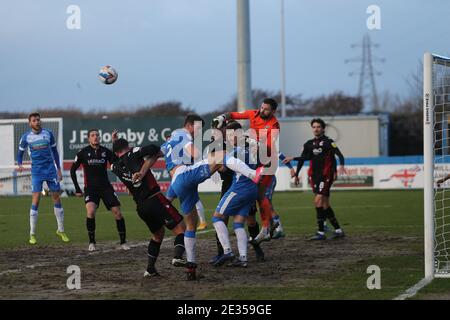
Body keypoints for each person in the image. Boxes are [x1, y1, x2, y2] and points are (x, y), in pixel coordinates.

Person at [161, 113, 263, 280]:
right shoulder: (183, 133)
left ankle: (191, 268)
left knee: (191, 226)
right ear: (189, 125)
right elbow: (194, 153)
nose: (198, 133)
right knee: (222, 156)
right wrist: (207, 159)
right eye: (198, 128)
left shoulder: (168, 144)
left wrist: (142, 172)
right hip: (189, 176)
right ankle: (253, 174)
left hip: (179, 183)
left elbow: (155, 154)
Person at [213, 98, 294, 242]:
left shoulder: (274, 125)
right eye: (262, 107)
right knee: (258, 195)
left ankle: (269, 227)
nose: (262, 110)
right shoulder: (253, 114)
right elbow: (233, 115)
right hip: (256, 160)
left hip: (268, 162)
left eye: (266, 109)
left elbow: (267, 148)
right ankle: (270, 226)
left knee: (261, 195)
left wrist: (251, 141)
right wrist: (222, 117)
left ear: (273, 111)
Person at [111, 138, 186, 278]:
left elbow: (119, 159)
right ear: (128, 146)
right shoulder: (133, 152)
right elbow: (153, 148)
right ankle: (177, 257)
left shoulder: (115, 167)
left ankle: (150, 269)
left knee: (158, 235)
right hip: (154, 199)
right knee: (181, 228)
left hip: (141, 207)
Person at [283, 118, 346, 240]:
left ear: (323, 128)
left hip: (326, 175)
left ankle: (321, 232)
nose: (316, 129)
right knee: (325, 204)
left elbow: (340, 155)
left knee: (317, 200)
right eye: (314, 127)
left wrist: (341, 166)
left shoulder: (329, 142)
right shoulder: (309, 144)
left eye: (318, 127)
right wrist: (296, 173)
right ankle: (338, 230)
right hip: (315, 176)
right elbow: (305, 158)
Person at [70, 129, 129, 251]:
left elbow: (116, 162)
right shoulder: (83, 152)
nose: (95, 137)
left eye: (97, 135)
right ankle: (92, 242)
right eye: (92, 135)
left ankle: (123, 242)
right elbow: (72, 170)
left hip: (106, 188)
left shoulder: (105, 151)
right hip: (91, 189)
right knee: (90, 211)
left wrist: (114, 141)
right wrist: (77, 188)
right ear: (88, 139)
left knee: (117, 213)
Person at [17, 112, 70, 245]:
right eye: (34, 120)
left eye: (38, 120)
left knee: (56, 198)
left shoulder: (48, 133)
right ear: (30, 123)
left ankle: (61, 230)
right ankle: (32, 234)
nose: (37, 122)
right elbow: (20, 153)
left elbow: (55, 152)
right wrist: (19, 164)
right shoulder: (26, 137)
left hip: (51, 170)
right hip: (37, 172)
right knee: (36, 200)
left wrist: (58, 169)